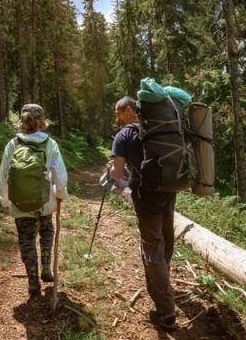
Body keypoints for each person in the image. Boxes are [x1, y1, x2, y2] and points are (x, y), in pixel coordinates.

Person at [110, 96, 178, 332]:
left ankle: (166, 312)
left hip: (146, 197)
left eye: (118, 113)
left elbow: (118, 175)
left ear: (129, 110)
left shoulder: (123, 136)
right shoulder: (155, 129)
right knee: (167, 238)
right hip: (169, 190)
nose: (116, 118)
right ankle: (164, 283)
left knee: (151, 249)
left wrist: (112, 171)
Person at [0, 104, 68, 299]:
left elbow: (3, 175)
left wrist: (5, 200)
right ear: (42, 122)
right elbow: (59, 176)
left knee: (26, 240)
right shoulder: (50, 144)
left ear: (22, 121)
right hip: (44, 203)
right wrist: (60, 194)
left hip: (20, 204)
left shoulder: (13, 144)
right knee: (47, 230)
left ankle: (32, 280)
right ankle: (46, 266)